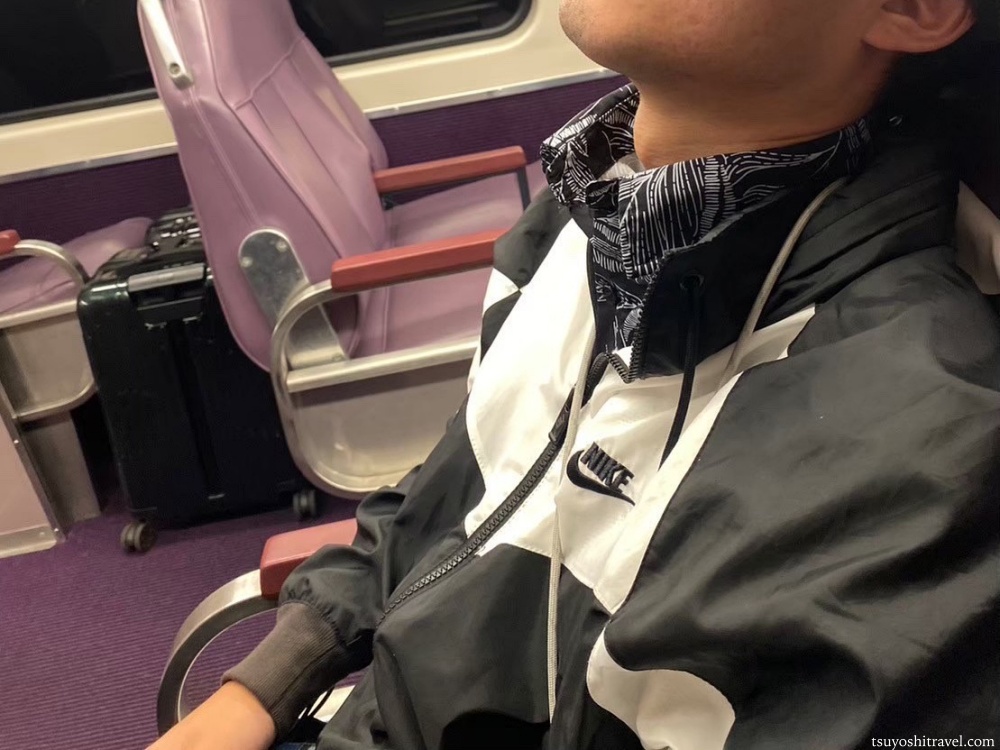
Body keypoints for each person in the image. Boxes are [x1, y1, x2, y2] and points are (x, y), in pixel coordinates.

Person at [152, 1, 1000, 748]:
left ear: (913, 8)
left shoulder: (919, 448)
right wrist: (263, 686)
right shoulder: (583, 221)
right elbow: (454, 491)